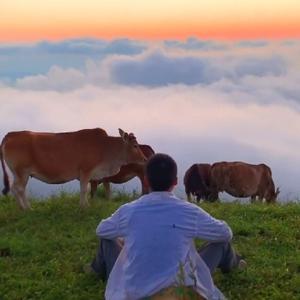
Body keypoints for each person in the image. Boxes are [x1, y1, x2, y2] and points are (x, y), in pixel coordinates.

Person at [86, 153, 246, 300]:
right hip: (179, 290)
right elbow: (225, 233)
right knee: (222, 244)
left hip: (134, 291)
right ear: (175, 182)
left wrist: (123, 239)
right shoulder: (189, 212)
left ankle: (96, 269)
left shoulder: (129, 211)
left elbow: (102, 230)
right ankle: (235, 264)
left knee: (107, 240)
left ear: (146, 181)